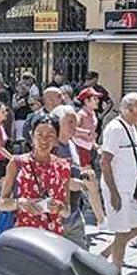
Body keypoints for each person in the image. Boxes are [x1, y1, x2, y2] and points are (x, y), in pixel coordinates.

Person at [0, 115, 72, 235]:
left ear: (56, 139)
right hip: (24, 237)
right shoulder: (17, 163)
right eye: (39, 134)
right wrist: (20, 203)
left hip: (53, 238)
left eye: (50, 135)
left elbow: (67, 210)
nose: (44, 140)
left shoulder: (63, 167)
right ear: (32, 136)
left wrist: (59, 207)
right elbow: (2, 203)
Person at [99, 92, 137, 271]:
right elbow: (104, 161)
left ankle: (104, 255)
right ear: (127, 109)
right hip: (118, 188)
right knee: (122, 232)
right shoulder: (115, 129)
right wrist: (113, 193)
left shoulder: (132, 127)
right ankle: (115, 272)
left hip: (131, 188)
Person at [51, 105, 91, 248]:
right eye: (70, 122)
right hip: (55, 215)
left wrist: (84, 175)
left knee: (79, 257)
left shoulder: (72, 144)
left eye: (76, 122)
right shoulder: (50, 147)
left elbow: (73, 171)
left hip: (74, 212)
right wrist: (68, 184)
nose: (74, 126)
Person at [73, 87, 106, 226]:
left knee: (91, 185)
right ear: (86, 101)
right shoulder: (80, 114)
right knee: (91, 184)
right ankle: (101, 220)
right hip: (79, 152)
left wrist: (95, 145)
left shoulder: (92, 114)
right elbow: (72, 129)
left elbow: (90, 137)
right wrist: (86, 133)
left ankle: (101, 220)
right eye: (94, 98)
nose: (97, 100)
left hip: (86, 152)